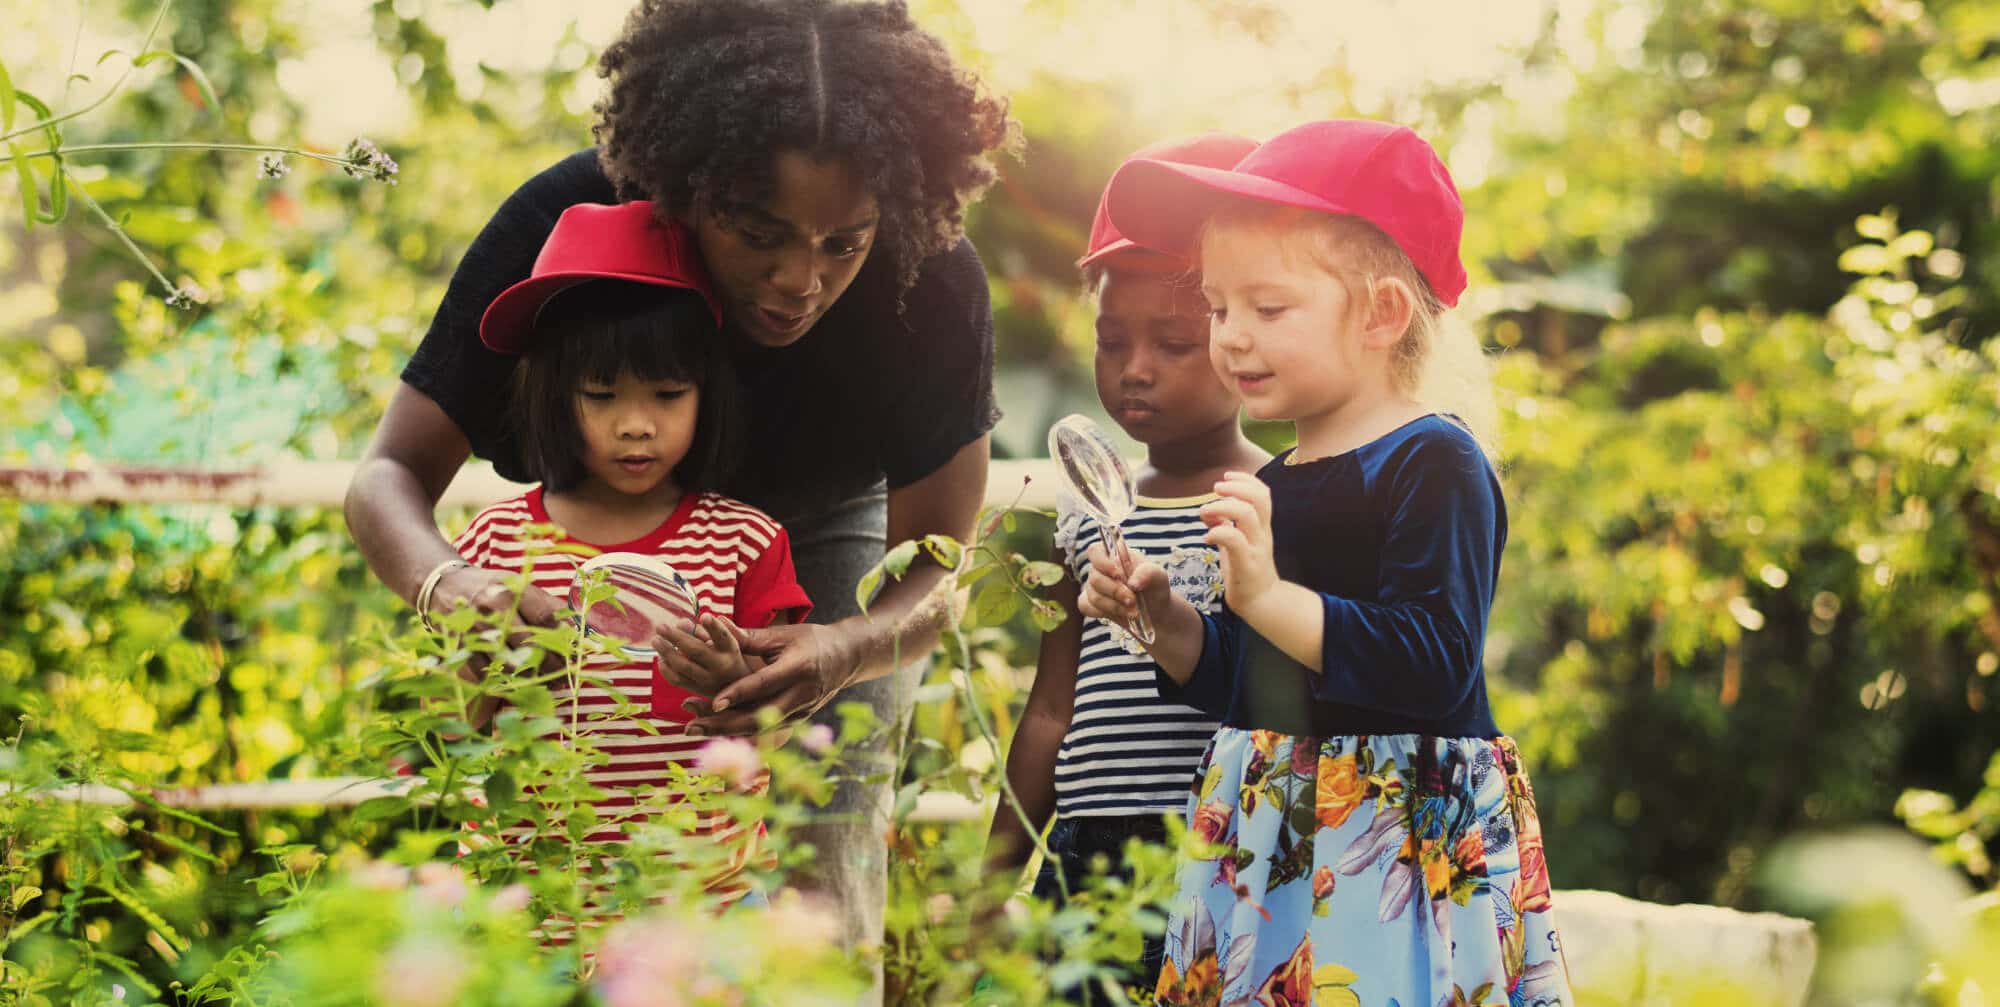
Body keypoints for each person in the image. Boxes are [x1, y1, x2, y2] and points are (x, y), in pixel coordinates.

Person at [344, 0, 1015, 974]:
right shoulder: (562, 220)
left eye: (843, 243)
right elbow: (386, 477)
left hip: (824, 524)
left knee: (822, 818)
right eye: (760, 234)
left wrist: (845, 645)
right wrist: (454, 592)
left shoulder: (931, 276)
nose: (800, 279)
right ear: (680, 186)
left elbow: (938, 569)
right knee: (568, 822)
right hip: (589, 535)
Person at [1081, 119, 1574, 1006]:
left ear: (1382, 313)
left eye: (1267, 309)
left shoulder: (1433, 460)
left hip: (1394, 837)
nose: (1232, 336)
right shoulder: (1274, 479)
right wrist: (1167, 623)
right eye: (1220, 307)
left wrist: (1267, 592)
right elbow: (1257, 680)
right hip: (1274, 829)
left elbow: (1430, 663)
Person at [448, 201, 810, 935]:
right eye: (602, 396)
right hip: (533, 903)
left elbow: (780, 721)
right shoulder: (494, 545)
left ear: (706, 393)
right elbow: (462, 721)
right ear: (554, 395)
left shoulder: (744, 542)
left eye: (667, 395)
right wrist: (498, 668)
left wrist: (729, 680)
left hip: (698, 908)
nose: (636, 423)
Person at [980, 133, 1267, 997]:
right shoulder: (1082, 508)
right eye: (1112, 341)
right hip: (1088, 855)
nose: (1135, 369)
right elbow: (1050, 712)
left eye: (1173, 343)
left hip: (1218, 846)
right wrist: (990, 884)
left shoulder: (1275, 499)